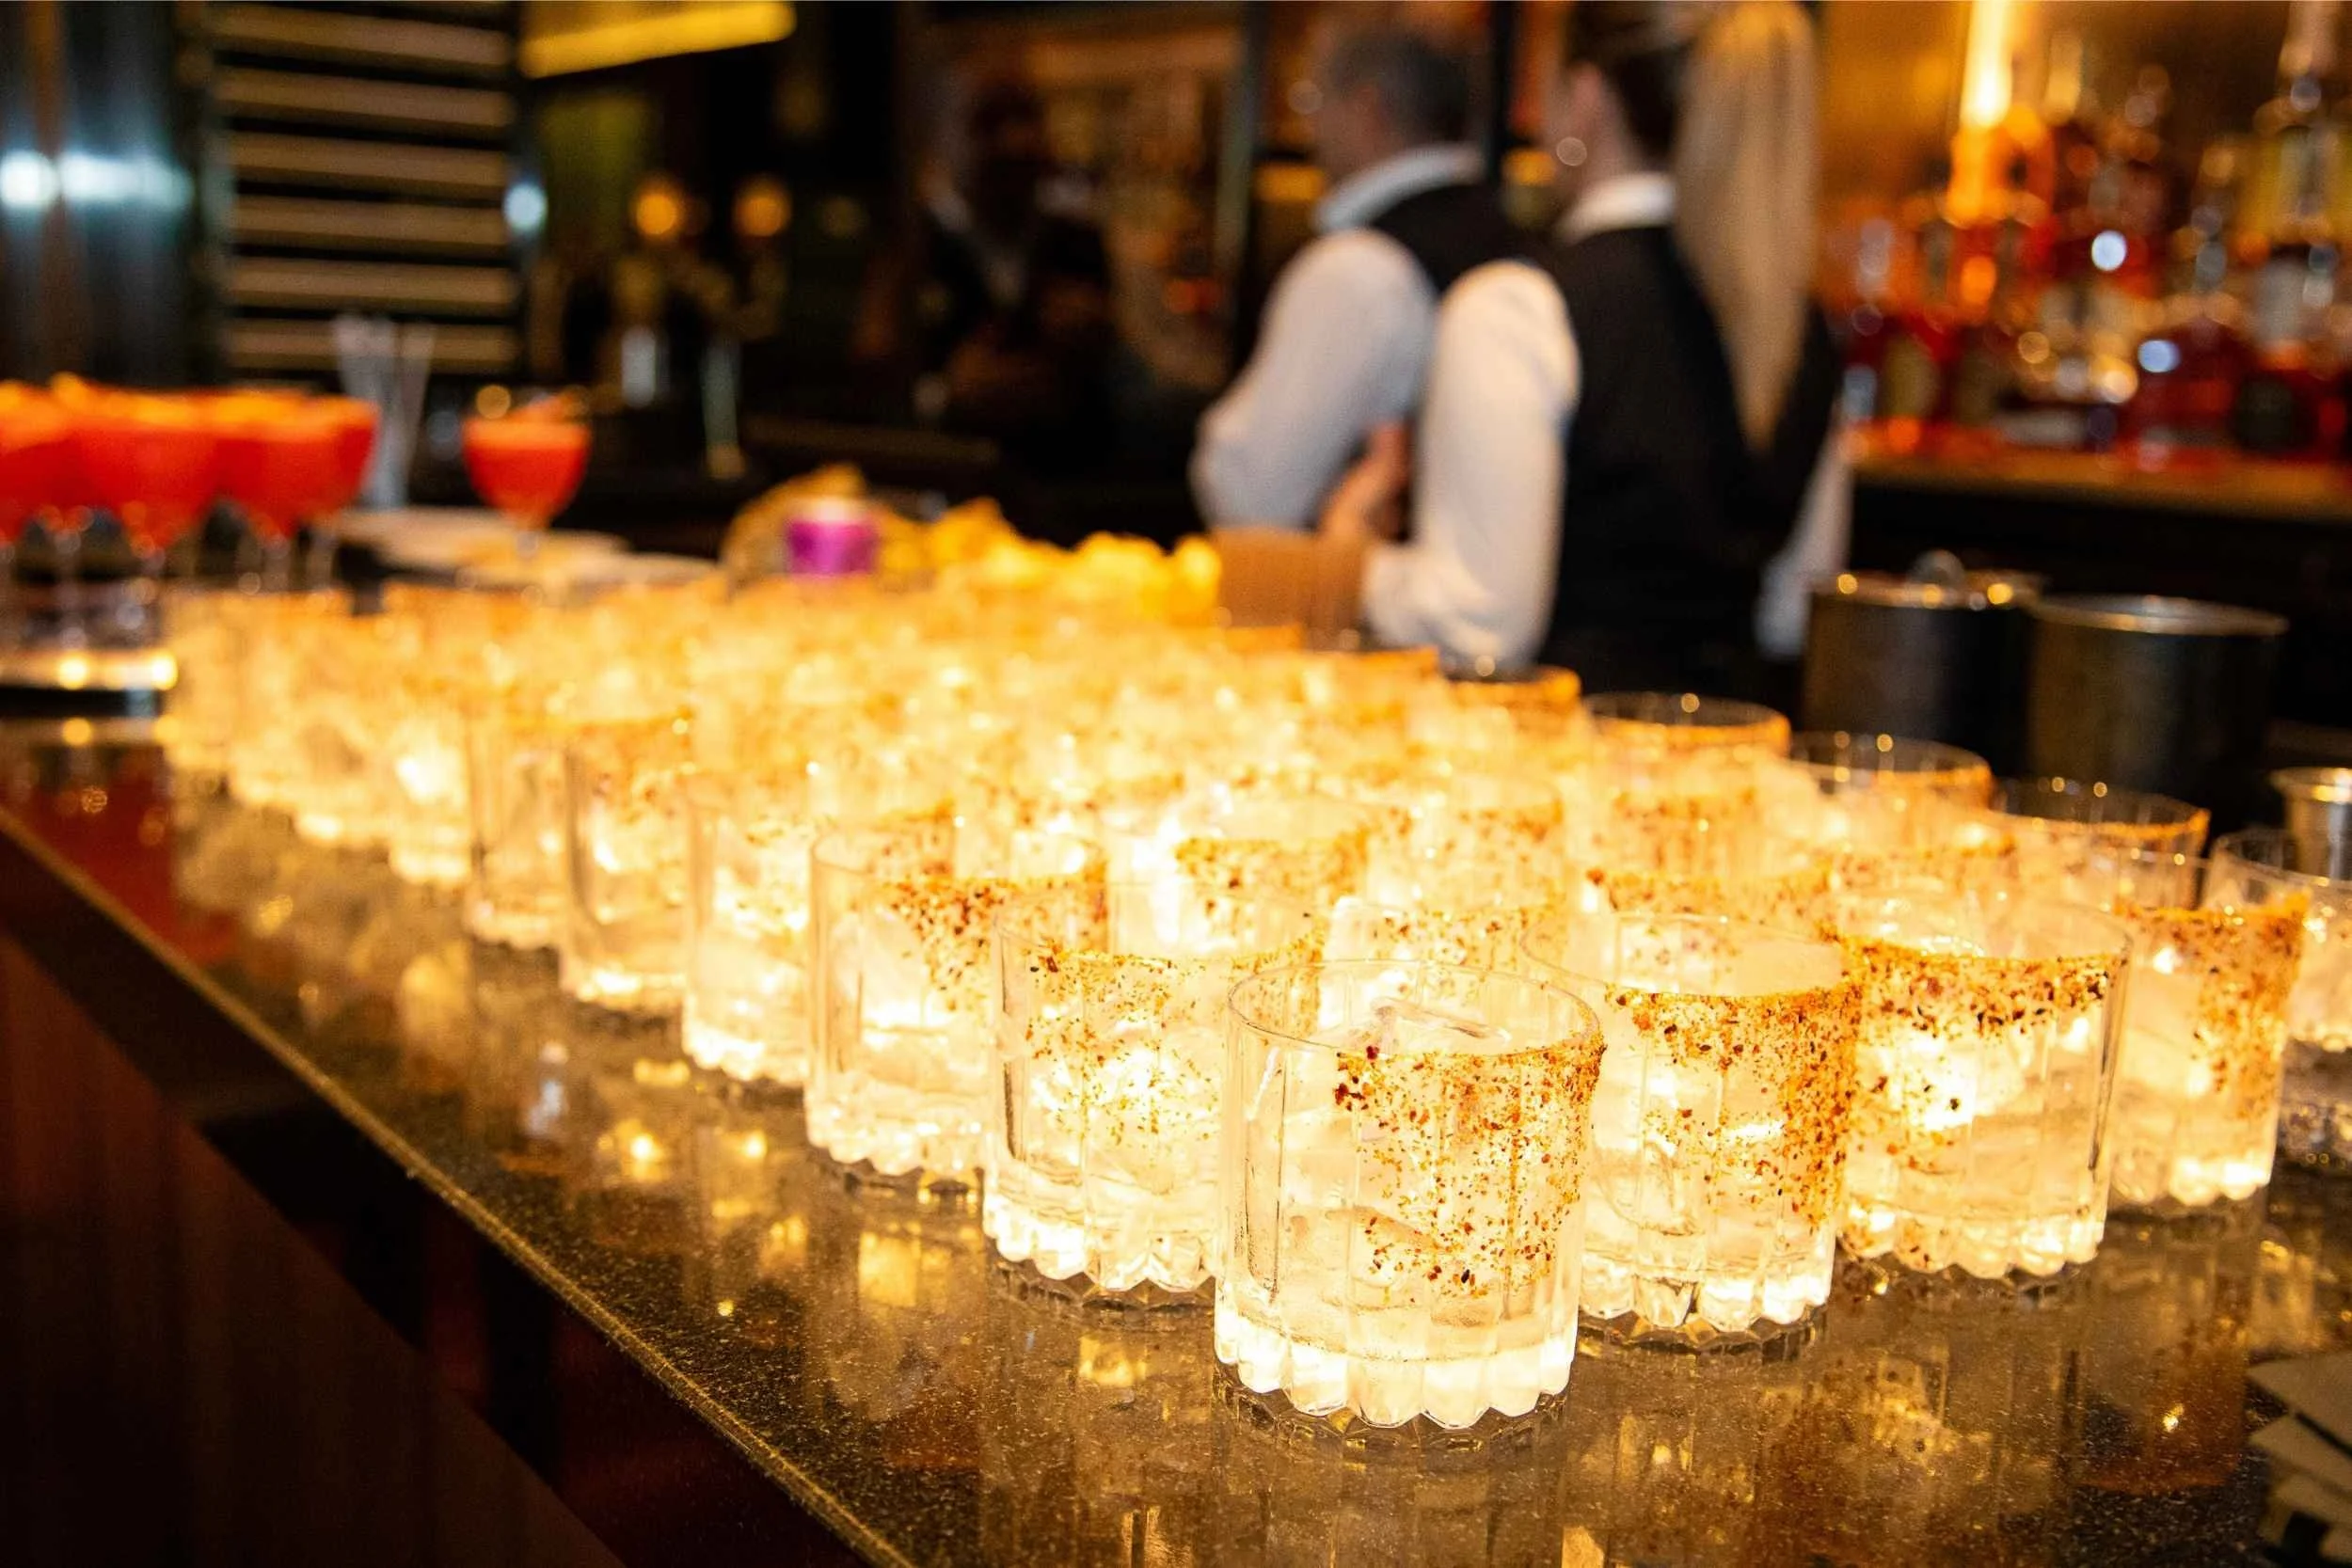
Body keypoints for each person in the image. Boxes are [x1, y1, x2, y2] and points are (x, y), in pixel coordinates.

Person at [1222, 2, 1843, 692]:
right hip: (1733, 767)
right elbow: (1793, 612)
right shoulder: (1799, 325)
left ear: (1582, 101)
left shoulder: (1516, 308)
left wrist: (1352, 562)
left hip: (1556, 774)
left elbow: (1479, 623)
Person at [1191, 21, 1518, 530]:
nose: (1310, 127)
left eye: (1313, 99)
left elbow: (1252, 494)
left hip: (1368, 598)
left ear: (1368, 110)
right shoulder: (1512, 237)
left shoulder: (1359, 268)